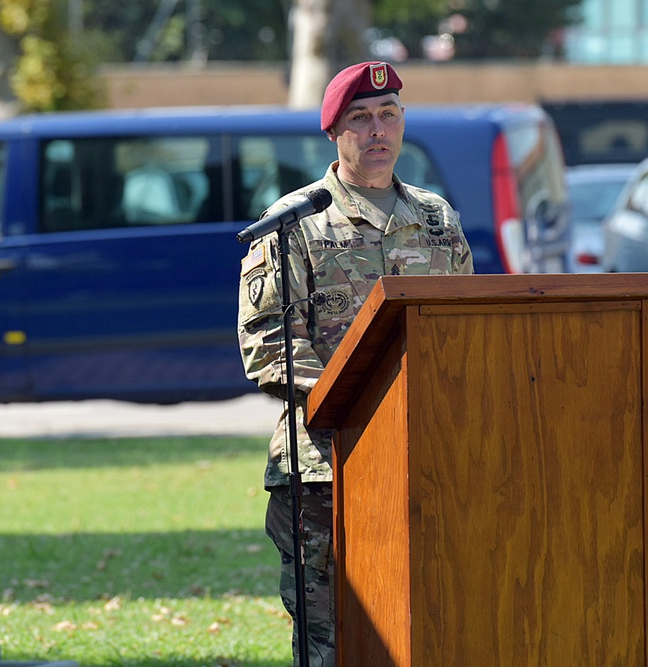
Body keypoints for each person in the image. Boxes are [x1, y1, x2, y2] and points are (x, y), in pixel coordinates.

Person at [237, 60, 473, 667]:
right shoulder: (294, 224)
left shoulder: (437, 221)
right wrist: (367, 404)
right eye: (361, 119)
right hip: (327, 470)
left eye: (388, 116)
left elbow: (467, 334)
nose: (377, 131)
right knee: (334, 643)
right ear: (334, 133)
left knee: (433, 627)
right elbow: (268, 345)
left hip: (429, 464)